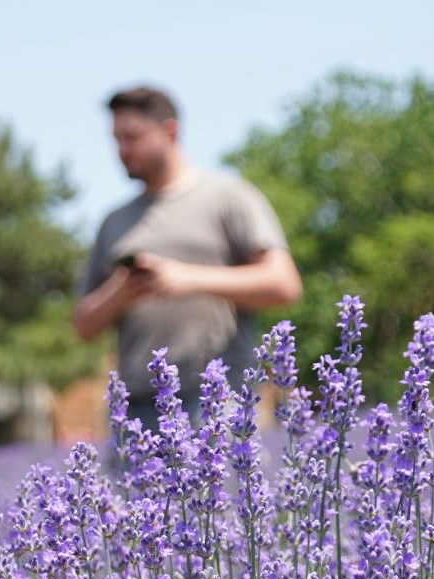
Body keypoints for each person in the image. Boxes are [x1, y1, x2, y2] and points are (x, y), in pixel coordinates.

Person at [74, 86, 302, 428]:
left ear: (170, 131)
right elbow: (82, 326)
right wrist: (122, 291)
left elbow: (284, 283)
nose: (122, 150)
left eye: (132, 137)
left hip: (216, 396)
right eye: (116, 139)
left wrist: (188, 279)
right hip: (136, 406)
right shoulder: (114, 221)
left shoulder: (228, 197)